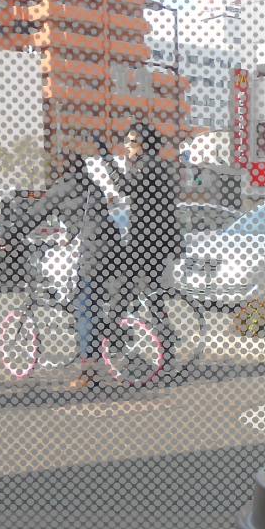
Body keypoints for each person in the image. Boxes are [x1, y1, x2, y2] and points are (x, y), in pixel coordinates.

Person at [24, 144, 114, 389]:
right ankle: (112, 340)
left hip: (91, 253)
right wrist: (71, 234)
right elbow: (91, 218)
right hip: (112, 248)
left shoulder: (62, 187)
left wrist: (8, 236)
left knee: (85, 310)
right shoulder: (92, 186)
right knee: (96, 305)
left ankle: (89, 372)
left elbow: (34, 215)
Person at [98, 123, 180, 302]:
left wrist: (106, 156)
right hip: (156, 236)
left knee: (128, 287)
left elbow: (124, 187)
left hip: (146, 236)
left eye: (132, 141)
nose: (127, 145)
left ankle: (116, 317)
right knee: (150, 291)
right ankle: (158, 318)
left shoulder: (147, 164)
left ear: (145, 143)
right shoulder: (158, 163)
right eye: (126, 140)